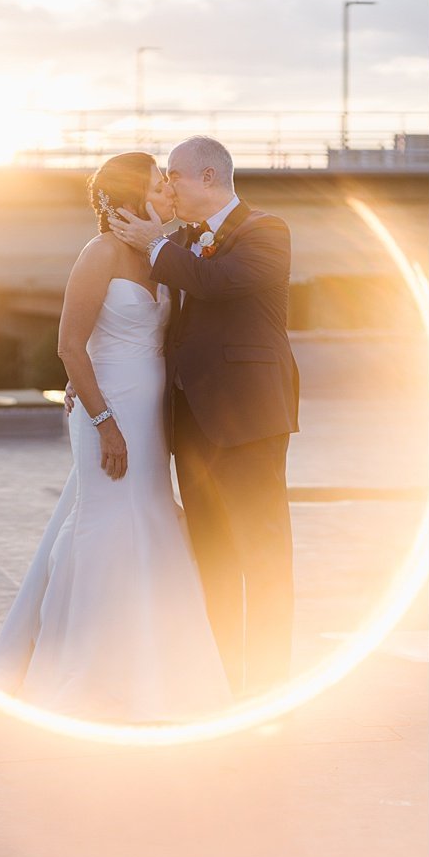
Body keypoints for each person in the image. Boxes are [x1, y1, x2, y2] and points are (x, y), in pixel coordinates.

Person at [0, 152, 232, 722]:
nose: (170, 191)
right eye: (159, 184)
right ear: (131, 195)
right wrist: (101, 418)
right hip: (108, 416)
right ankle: (89, 674)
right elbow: (70, 345)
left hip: (152, 417)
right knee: (105, 527)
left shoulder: (160, 254)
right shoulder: (98, 254)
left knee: (148, 523)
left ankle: (155, 668)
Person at [110, 136, 300, 696]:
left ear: (209, 177)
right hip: (192, 426)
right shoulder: (185, 241)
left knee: (262, 557)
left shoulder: (266, 230)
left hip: (249, 422)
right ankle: (223, 682)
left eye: (174, 176)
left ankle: (268, 687)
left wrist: (154, 245)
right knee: (212, 559)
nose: (167, 187)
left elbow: (218, 283)